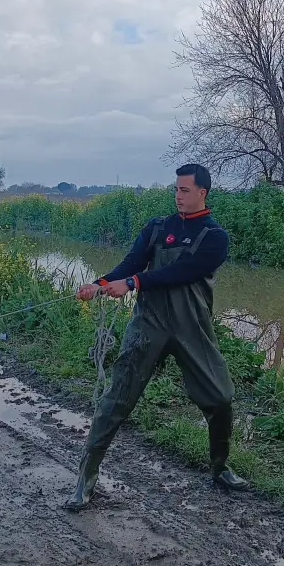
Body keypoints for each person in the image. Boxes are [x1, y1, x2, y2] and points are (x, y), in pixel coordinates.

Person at [67, 163, 247, 510]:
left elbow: (183, 272)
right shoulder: (157, 228)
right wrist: (100, 284)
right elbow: (131, 264)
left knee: (221, 397)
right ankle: (85, 479)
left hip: (192, 327)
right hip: (148, 324)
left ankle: (220, 468)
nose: (178, 196)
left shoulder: (215, 237)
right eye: (176, 189)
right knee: (116, 399)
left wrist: (134, 283)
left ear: (202, 193)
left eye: (184, 190)